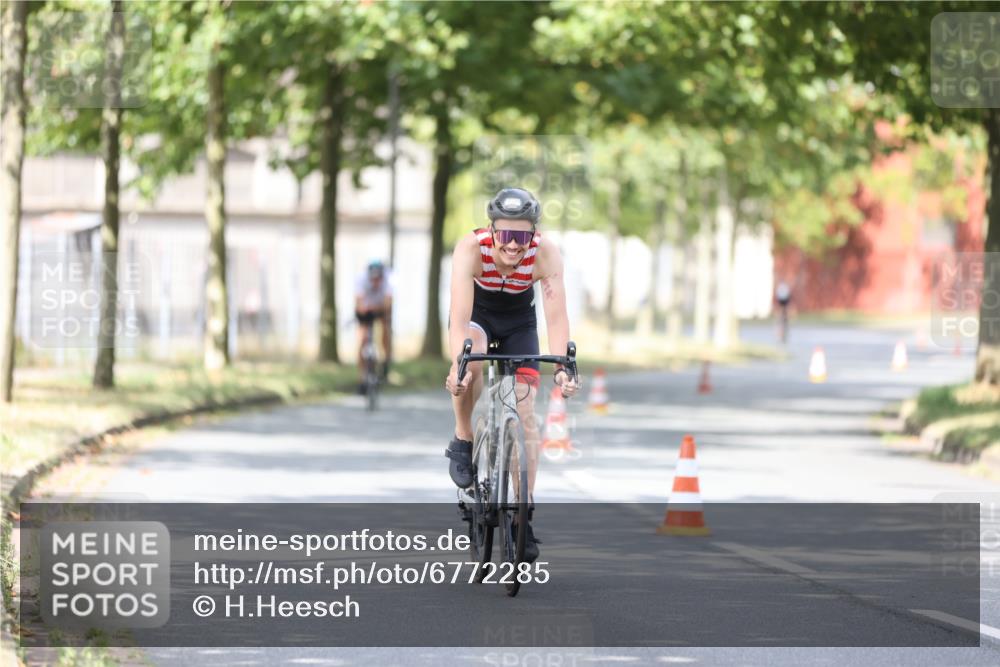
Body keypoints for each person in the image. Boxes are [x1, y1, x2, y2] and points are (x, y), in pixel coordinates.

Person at [444, 187, 580, 562]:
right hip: (479, 316)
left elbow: (555, 316)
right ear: (492, 230)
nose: (513, 245)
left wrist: (564, 367)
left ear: (533, 234)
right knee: (468, 364)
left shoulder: (546, 253)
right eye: (505, 235)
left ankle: (522, 516)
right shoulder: (470, 249)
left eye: (522, 236)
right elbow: (457, 319)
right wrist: (458, 365)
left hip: (520, 321)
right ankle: (463, 435)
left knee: (525, 415)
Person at [355, 260, 393, 393]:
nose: (375, 282)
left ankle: (385, 362)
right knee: (361, 338)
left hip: (380, 308)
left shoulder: (388, 281)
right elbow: (359, 305)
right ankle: (362, 378)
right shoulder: (361, 280)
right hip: (366, 310)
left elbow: (388, 304)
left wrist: (379, 309)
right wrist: (365, 309)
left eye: (378, 279)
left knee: (385, 329)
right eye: (373, 279)